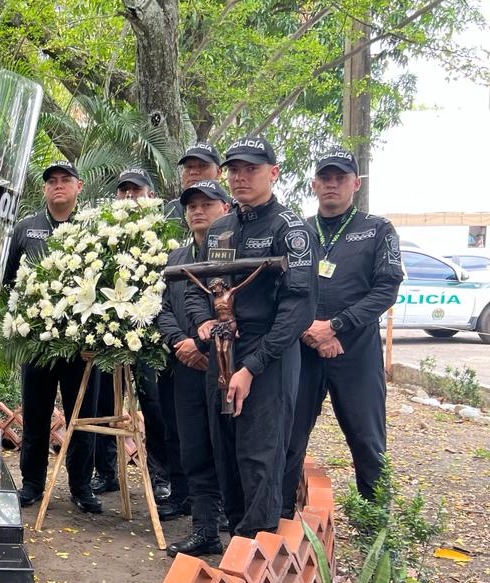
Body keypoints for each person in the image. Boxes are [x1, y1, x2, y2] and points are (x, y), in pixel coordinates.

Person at [185, 135, 315, 539]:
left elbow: (299, 309)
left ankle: (255, 549)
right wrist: (204, 323)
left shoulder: (290, 229)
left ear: (273, 173)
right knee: (224, 451)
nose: (241, 177)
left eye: (252, 169)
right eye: (234, 169)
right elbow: (200, 286)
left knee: (260, 455)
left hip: (268, 355)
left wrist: (252, 368)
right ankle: (235, 544)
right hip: (222, 351)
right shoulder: (221, 228)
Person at [282, 149, 403, 513]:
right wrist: (309, 329)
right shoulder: (297, 231)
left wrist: (335, 327)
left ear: (356, 183)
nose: (332, 184)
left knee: (367, 440)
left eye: (340, 177)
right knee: (289, 436)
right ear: (314, 184)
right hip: (302, 349)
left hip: (355, 350)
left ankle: (376, 525)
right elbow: (280, 287)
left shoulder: (377, 229)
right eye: (325, 178)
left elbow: (387, 288)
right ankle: (280, 517)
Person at [9, 161, 102, 513]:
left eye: (65, 180)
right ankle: (32, 483)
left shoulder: (92, 229)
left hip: (81, 346)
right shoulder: (27, 229)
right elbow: (8, 282)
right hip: (37, 344)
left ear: (79, 187)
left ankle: (81, 486)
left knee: (83, 416)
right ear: (44, 189)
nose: (58, 185)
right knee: (36, 415)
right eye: (51, 181)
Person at [91, 168, 177, 502]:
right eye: (123, 191)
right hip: (110, 336)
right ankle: (106, 473)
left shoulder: (166, 237)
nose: (129, 197)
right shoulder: (103, 236)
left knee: (155, 407)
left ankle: (161, 476)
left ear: (151, 197)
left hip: (151, 340)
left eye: (136, 191)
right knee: (103, 404)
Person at [159, 180, 233, 557]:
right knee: (194, 449)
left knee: (229, 447)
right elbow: (162, 309)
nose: (198, 211)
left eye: (207, 203)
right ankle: (204, 530)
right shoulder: (176, 258)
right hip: (186, 365)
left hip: (226, 365)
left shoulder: (232, 253)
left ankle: (235, 527)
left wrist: (204, 345)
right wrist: (181, 344)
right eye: (191, 206)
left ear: (225, 207)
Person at [162, 144, 222, 224]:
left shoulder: (235, 208)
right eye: (189, 167)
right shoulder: (171, 210)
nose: (193, 172)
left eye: (202, 165)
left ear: (218, 172)